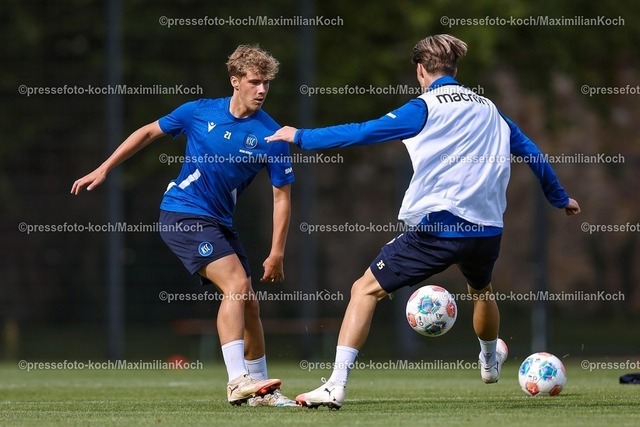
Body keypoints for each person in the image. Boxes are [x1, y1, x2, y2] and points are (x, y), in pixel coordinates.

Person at [266, 34, 581, 409]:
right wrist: (560, 197)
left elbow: (363, 132)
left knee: (364, 290)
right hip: (487, 230)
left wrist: (301, 136)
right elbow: (532, 152)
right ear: (455, 69)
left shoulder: (424, 107)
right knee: (481, 290)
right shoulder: (491, 109)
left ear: (420, 70)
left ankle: (335, 385)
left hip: (441, 227)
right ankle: (488, 360)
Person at [71, 45, 298, 407]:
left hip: (219, 222)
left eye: (266, 83)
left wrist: (277, 252)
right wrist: (104, 168)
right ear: (235, 81)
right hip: (182, 213)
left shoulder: (272, 135)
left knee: (249, 305)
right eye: (254, 82)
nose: (261, 90)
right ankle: (237, 381)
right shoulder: (198, 112)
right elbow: (148, 133)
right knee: (236, 285)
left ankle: (261, 392)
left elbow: (281, 197)